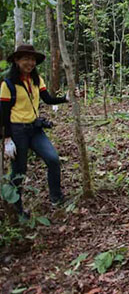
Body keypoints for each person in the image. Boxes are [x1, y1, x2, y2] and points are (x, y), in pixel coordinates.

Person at [1, 45, 68, 216]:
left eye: (32, 60)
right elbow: (3, 113)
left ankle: (56, 197)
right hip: (17, 132)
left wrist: (65, 99)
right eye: (25, 59)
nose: (29, 63)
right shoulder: (7, 84)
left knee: (53, 159)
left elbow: (48, 99)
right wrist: (7, 139)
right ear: (17, 60)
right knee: (19, 171)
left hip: (35, 128)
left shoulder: (37, 80)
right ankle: (17, 210)